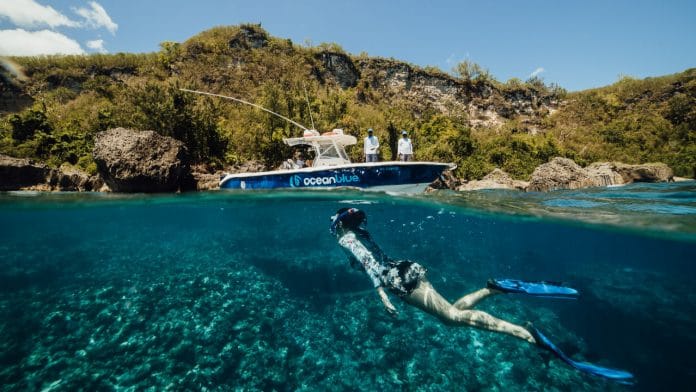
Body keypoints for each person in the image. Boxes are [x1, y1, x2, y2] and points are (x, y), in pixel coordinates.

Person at [329, 207, 634, 383]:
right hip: (404, 269)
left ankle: (527, 335)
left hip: (397, 281)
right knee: (451, 315)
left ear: (339, 226)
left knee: (451, 317)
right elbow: (371, 257)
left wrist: (381, 295)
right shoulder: (361, 234)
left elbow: (369, 264)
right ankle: (492, 288)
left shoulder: (347, 239)